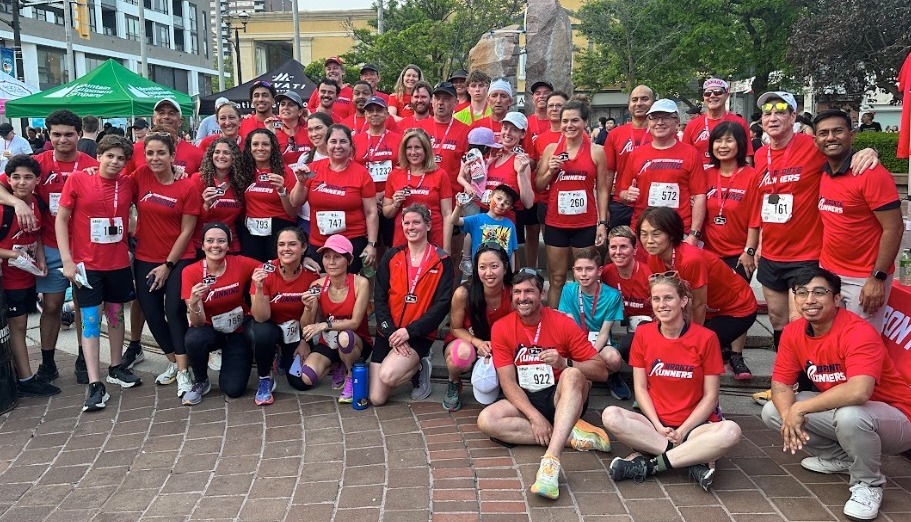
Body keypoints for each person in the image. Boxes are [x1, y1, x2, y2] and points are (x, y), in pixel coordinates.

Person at [760, 267, 911, 521]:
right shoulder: (793, 331)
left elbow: (859, 391)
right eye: (802, 293)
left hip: (898, 418)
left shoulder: (858, 331)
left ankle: (868, 484)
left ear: (837, 299)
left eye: (819, 292)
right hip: (849, 413)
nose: (810, 300)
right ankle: (840, 457)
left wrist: (800, 408)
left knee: (849, 415)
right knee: (774, 411)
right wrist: (789, 412)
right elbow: (781, 385)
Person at [749, 91, 879, 366]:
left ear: (793, 117)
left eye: (780, 111)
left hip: (805, 254)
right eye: (767, 113)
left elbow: (841, 150)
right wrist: (758, 242)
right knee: (777, 319)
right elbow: (763, 201)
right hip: (772, 254)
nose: (773, 117)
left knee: (801, 322)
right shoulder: (761, 154)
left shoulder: (811, 146)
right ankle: (786, 377)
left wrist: (870, 150)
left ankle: (805, 383)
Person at [478, 268, 611, 500]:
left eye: (529, 291)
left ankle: (551, 461)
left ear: (542, 294)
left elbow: (601, 371)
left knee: (573, 375)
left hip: (561, 395)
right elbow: (508, 382)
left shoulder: (562, 323)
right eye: (517, 292)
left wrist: (564, 361)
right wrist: (534, 417)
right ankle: (572, 437)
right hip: (526, 395)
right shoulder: (501, 327)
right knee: (486, 420)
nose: (522, 297)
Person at [602, 273, 742, 491]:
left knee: (731, 431)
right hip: (654, 425)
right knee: (611, 415)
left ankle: (652, 465)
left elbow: (711, 397)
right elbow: (640, 388)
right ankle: (691, 457)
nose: (661, 304)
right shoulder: (643, 334)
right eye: (656, 299)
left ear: (683, 300)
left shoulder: (706, 338)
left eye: (668, 298)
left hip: (696, 427)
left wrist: (683, 431)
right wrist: (658, 426)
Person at [0, 110, 99, 385]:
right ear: (48, 135)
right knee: (52, 305)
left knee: (84, 305)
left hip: (86, 247)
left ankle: (83, 358)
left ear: (79, 134)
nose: (62, 140)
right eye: (56, 134)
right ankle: (48, 362)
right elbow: (3, 186)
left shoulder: (93, 165)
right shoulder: (36, 164)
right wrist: (17, 203)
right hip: (52, 246)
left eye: (69, 134)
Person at [56, 136, 141, 410]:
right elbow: (61, 219)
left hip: (117, 264)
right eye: (110, 156)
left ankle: (115, 367)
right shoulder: (79, 179)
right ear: (100, 156)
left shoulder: (128, 183)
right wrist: (67, 260)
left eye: (121, 158)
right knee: (91, 320)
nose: (115, 162)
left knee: (116, 316)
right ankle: (95, 382)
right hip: (87, 265)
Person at [640, 206, 757, 377]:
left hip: (738, 309)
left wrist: (689, 341)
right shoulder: (654, 257)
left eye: (656, 234)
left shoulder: (691, 260)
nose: (649, 240)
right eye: (644, 234)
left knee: (693, 350)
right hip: (711, 308)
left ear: (671, 234)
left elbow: (699, 306)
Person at [813, 110, 903, 331]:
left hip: (863, 278)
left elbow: (894, 227)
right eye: (823, 133)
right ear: (816, 140)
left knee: (861, 345)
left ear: (852, 135)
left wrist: (877, 278)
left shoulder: (870, 173)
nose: (831, 137)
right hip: (828, 273)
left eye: (838, 131)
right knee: (832, 338)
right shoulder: (824, 172)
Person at [131, 132, 200, 398]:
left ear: (173, 156)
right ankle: (174, 361)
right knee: (151, 313)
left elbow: (187, 231)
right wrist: (94, 168)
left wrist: (168, 265)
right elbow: (112, 182)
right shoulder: (140, 176)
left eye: (161, 153)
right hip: (145, 256)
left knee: (173, 310)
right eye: (150, 153)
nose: (155, 158)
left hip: (179, 258)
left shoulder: (187, 186)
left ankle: (185, 371)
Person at [370, 204, 454, 405]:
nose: (411, 227)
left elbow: (441, 305)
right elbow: (380, 298)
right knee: (376, 398)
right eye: (406, 223)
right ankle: (411, 365)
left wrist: (409, 332)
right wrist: (391, 332)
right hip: (389, 332)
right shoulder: (392, 256)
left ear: (427, 225)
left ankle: (419, 365)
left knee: (388, 375)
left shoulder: (442, 260)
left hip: (418, 334)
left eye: (416, 222)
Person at [536, 97, 611, 307]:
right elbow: (539, 185)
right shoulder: (551, 149)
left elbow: (603, 189)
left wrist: (602, 223)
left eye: (575, 120)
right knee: (557, 277)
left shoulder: (597, 152)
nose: (569, 125)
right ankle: (553, 323)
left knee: (585, 279)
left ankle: (585, 324)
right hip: (556, 223)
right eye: (565, 121)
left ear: (585, 122)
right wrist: (550, 170)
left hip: (584, 224)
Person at [181, 223, 260, 406]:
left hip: (237, 330)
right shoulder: (190, 272)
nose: (215, 245)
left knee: (233, 390)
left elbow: (270, 268)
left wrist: (302, 261)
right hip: (209, 328)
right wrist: (193, 301)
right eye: (210, 241)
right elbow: (198, 323)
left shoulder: (240, 263)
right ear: (202, 245)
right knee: (193, 339)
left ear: (229, 245)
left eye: (221, 241)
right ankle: (201, 380)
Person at [1, 154, 57, 397]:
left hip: (28, 275)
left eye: (28, 178)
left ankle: (22, 374)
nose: (21, 182)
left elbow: (38, 235)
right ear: (8, 180)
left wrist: (41, 257)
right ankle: (25, 378)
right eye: (16, 178)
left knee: (22, 325)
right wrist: (11, 256)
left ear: (37, 180)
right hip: (9, 278)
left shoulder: (38, 203)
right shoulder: (4, 210)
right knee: (18, 325)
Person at [289, 124, 379, 274]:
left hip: (351, 241)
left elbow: (371, 212)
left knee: (349, 287)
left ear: (350, 145)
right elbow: (295, 202)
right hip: (319, 243)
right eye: (333, 141)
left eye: (343, 142)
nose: (338, 146)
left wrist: (371, 244)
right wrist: (301, 181)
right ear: (326, 144)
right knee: (321, 286)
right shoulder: (313, 169)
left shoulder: (361, 173)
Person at [296, 234, 372, 403]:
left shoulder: (360, 283)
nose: (331, 262)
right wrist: (308, 308)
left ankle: (350, 375)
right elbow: (307, 325)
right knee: (307, 377)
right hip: (329, 341)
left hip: (355, 340)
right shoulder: (317, 285)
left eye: (337, 257)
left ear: (349, 260)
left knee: (345, 337)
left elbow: (355, 322)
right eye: (327, 257)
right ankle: (336, 364)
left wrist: (324, 325)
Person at [618, 98, 707, 238]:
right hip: (645, 231)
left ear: (677, 122)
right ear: (648, 122)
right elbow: (622, 193)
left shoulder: (691, 153)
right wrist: (627, 195)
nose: (659, 122)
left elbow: (699, 196)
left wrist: (694, 234)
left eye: (666, 117)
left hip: (677, 230)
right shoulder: (636, 154)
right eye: (654, 118)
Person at [247, 227, 319, 399]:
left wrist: (304, 342)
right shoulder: (265, 271)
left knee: (300, 383)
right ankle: (265, 377)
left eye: (292, 244)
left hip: (296, 331)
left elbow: (312, 316)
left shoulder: (312, 275)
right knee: (263, 332)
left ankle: (281, 355)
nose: (286, 249)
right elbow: (260, 317)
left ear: (303, 248)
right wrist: (258, 287)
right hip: (269, 326)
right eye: (281, 244)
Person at [442, 242, 513, 411]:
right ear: (476, 269)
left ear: (505, 266)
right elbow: (455, 328)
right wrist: (477, 342)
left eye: (494, 266)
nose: (488, 273)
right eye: (482, 267)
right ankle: (453, 382)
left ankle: (508, 383)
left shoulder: (514, 292)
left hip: (502, 344)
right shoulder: (464, 293)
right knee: (461, 355)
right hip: (468, 340)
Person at [557, 247, 625, 394]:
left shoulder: (612, 295)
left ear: (599, 271)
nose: (583, 274)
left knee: (613, 358)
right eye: (579, 269)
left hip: (599, 344)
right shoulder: (568, 290)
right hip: (575, 341)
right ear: (573, 270)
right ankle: (586, 376)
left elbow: (604, 332)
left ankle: (611, 376)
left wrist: (589, 358)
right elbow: (569, 325)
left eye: (589, 269)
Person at [702, 122, 759, 281]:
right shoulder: (705, 174)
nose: (723, 146)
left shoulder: (752, 176)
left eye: (729, 140)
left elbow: (755, 219)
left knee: (735, 302)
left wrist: (749, 251)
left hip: (739, 255)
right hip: (708, 253)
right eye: (718, 141)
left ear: (740, 144)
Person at [383, 128, 450, 247]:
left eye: (417, 147)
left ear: (426, 150)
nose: (413, 152)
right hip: (403, 237)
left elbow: (447, 214)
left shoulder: (440, 174)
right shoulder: (394, 175)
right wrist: (395, 204)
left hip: (434, 235)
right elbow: (387, 213)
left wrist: (447, 247)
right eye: (409, 148)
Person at [238, 129, 298, 262]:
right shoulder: (244, 171)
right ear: (249, 147)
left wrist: (282, 191)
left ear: (272, 148)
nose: (260, 148)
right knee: (253, 268)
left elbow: (293, 213)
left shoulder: (284, 171)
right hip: (251, 229)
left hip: (279, 227)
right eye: (255, 144)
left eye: (265, 144)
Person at [354, 96, 403, 251]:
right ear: (365, 114)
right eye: (370, 110)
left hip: (390, 199)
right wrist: (371, 197)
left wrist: (385, 195)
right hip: (365, 200)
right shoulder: (355, 140)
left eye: (379, 110)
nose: (374, 114)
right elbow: (353, 170)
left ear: (387, 114)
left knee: (389, 245)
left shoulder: (399, 139)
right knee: (368, 245)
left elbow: (403, 169)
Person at [605, 85, 655, 228]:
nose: (639, 103)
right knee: (619, 248)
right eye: (635, 99)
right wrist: (603, 209)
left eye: (645, 99)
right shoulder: (615, 134)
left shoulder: (661, 134)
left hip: (652, 204)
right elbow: (608, 173)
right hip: (622, 203)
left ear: (653, 103)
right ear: (629, 105)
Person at [476, 112, 535, 226]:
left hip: (505, 223)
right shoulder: (491, 155)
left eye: (514, 130)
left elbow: (528, 203)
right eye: (505, 128)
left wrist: (521, 173)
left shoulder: (521, 161)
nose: (507, 133)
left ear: (522, 134)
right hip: (483, 217)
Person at [192, 137, 249, 254]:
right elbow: (192, 218)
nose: (221, 156)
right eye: (217, 152)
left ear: (234, 157)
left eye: (226, 153)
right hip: (203, 244)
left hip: (231, 244)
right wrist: (206, 204)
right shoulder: (198, 179)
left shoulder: (240, 183)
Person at [682, 78, 754, 170]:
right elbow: (685, 156)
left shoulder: (739, 122)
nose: (712, 96)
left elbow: (746, 155)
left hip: (729, 178)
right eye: (708, 93)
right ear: (704, 97)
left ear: (727, 95)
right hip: (700, 177)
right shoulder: (692, 125)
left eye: (717, 92)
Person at [448, 184, 519, 269]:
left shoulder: (510, 225)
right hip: (480, 272)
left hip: (503, 273)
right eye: (499, 198)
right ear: (490, 197)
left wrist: (511, 274)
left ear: (510, 208)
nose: (501, 203)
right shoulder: (477, 219)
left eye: (507, 202)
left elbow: (512, 252)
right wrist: (458, 206)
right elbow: (454, 221)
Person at [126, 98, 203, 174]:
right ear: (154, 120)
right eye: (161, 113)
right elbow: (123, 183)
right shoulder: (134, 151)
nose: (166, 117)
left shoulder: (196, 154)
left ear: (180, 121)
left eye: (172, 113)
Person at [272, 90, 312, 166]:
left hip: (308, 175)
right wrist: (271, 135)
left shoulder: (309, 132)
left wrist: (310, 119)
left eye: (291, 105)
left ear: (300, 112)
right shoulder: (274, 133)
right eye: (282, 104)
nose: (285, 107)